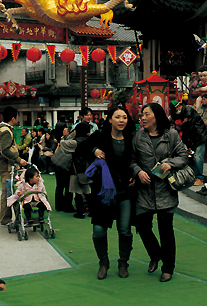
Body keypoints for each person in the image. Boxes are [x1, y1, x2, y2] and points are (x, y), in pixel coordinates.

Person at [131, 103, 189, 283]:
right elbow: (132, 159)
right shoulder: (138, 136)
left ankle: (168, 268)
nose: (142, 118)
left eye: (146, 114)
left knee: (166, 231)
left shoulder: (170, 134)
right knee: (142, 226)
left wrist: (170, 164)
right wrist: (138, 171)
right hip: (144, 190)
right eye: (141, 115)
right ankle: (155, 254)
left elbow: (184, 155)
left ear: (156, 116)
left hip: (165, 190)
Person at [78, 105, 136, 280]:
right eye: (117, 117)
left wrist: (134, 174)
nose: (121, 120)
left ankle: (123, 262)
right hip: (102, 191)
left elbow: (136, 160)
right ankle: (103, 262)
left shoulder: (131, 138)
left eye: (124, 117)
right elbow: (80, 150)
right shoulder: (99, 137)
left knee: (124, 229)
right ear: (109, 119)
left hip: (124, 190)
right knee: (99, 229)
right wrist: (93, 150)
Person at [0, 106, 27, 225]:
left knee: (9, 192)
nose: (18, 119)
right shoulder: (6, 131)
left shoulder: (3, 128)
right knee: (8, 193)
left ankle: (10, 218)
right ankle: (6, 219)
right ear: (13, 118)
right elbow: (5, 150)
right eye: (18, 116)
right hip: (7, 167)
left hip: (5, 166)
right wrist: (19, 160)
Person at [170, 100, 207, 185]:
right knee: (190, 157)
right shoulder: (177, 115)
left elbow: (188, 125)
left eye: (178, 107)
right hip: (190, 139)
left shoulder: (188, 110)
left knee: (198, 157)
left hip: (199, 136)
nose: (177, 109)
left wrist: (182, 125)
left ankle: (199, 178)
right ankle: (192, 176)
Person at [52, 124, 80, 212]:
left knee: (60, 186)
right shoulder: (74, 141)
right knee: (67, 186)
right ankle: (67, 206)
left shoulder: (67, 137)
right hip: (64, 165)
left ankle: (59, 206)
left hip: (57, 162)